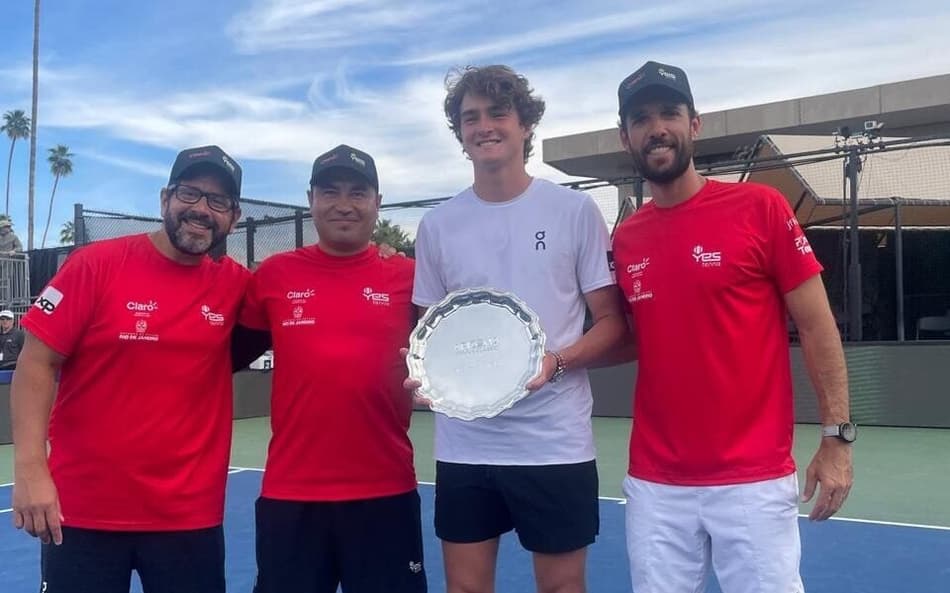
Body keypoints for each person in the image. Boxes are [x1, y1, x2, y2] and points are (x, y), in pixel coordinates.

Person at [611, 61, 854, 593]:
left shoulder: (759, 207)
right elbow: (629, 335)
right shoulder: (626, 239)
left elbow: (817, 328)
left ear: (694, 124)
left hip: (752, 479)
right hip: (656, 484)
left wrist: (837, 439)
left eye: (670, 113)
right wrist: (549, 359)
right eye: (641, 118)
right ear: (624, 134)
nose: (657, 128)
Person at [410, 65, 627, 593]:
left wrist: (557, 363)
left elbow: (613, 325)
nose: (484, 126)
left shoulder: (574, 211)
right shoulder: (437, 226)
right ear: (460, 134)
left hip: (554, 445)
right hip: (465, 448)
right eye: (470, 117)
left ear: (525, 124)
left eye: (498, 112)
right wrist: (427, 379)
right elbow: (431, 333)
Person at [11, 145, 249, 593]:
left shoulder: (237, 285)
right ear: (165, 199)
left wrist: (380, 254)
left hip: (188, 519)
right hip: (81, 514)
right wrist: (30, 467)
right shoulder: (96, 265)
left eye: (218, 202)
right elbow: (36, 363)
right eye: (190, 194)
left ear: (233, 219)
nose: (201, 210)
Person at [240, 144, 426, 593]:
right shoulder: (273, 276)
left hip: (386, 492)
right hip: (292, 496)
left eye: (358, 193)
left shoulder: (411, 276)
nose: (344, 204)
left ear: (377, 204)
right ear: (311, 199)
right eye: (330, 192)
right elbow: (218, 355)